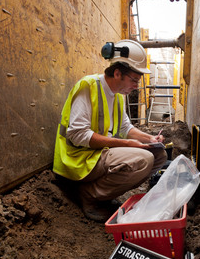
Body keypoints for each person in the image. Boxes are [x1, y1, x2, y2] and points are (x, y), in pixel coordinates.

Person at [53, 39, 167, 221]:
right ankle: (88, 195)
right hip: (77, 159)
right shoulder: (88, 86)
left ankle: (104, 193)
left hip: (97, 155)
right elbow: (77, 134)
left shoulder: (118, 96)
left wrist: (149, 138)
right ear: (117, 73)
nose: (136, 86)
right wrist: (128, 144)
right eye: (134, 80)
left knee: (159, 155)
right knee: (143, 159)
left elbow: (124, 127)